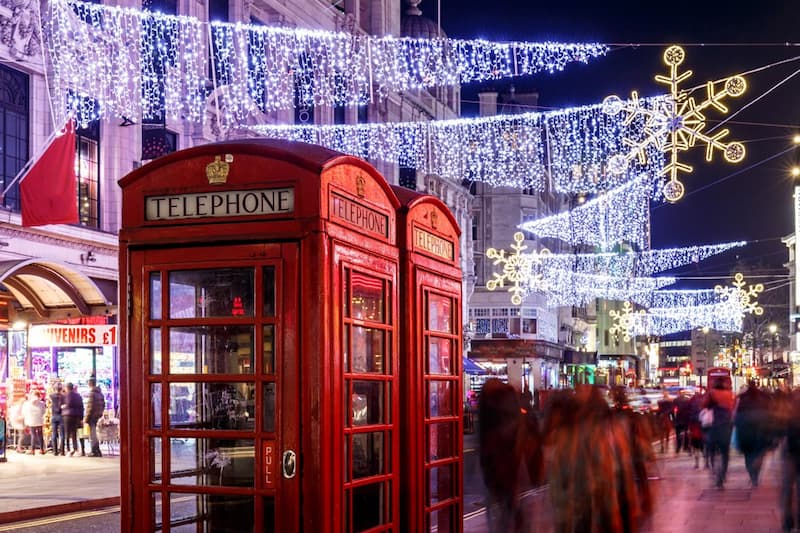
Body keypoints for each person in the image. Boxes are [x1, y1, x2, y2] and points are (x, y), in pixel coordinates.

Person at [733, 381, 770, 487]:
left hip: (745, 429)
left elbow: (736, 416)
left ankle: (752, 476)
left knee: (748, 454)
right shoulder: (763, 397)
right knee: (759, 452)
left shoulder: (742, 397)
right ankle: (756, 474)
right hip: (760, 428)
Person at [704, 378, 735, 489]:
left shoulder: (711, 393)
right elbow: (732, 408)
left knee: (711, 450)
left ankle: (714, 470)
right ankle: (722, 475)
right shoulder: (730, 394)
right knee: (725, 453)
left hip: (714, 426)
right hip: (726, 426)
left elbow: (703, 406)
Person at [85, 378, 106, 457]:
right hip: (97, 415)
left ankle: (94, 450)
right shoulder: (100, 393)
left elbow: (90, 407)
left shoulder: (92, 393)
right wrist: (100, 413)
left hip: (92, 415)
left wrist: (86, 418)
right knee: (94, 432)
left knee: (92, 433)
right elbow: (103, 404)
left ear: (90, 384)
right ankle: (96, 450)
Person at [62, 382, 84, 456]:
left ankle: (68, 450)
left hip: (67, 416)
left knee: (67, 433)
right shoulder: (78, 396)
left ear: (67, 388)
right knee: (74, 433)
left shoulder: (65, 395)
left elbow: (67, 404)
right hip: (76, 416)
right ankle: (75, 449)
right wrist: (81, 417)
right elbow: (81, 407)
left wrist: (63, 407)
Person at [49, 383, 65, 456]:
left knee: (54, 434)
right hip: (61, 416)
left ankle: (55, 451)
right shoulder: (64, 396)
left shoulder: (51, 396)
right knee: (62, 434)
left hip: (54, 415)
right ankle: (62, 451)